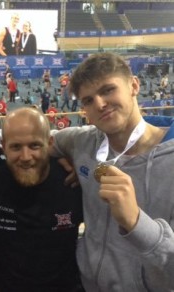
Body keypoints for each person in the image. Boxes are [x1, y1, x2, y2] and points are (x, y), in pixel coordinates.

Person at [51, 52, 174, 291]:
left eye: (108, 90)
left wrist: (136, 222)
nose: (99, 103)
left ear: (134, 85)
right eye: (88, 100)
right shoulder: (82, 143)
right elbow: (32, 139)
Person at [0, 107, 84, 292]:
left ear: (50, 144)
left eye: (35, 145)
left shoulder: (73, 182)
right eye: (16, 147)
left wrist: (79, 163)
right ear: (3, 146)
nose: (26, 157)